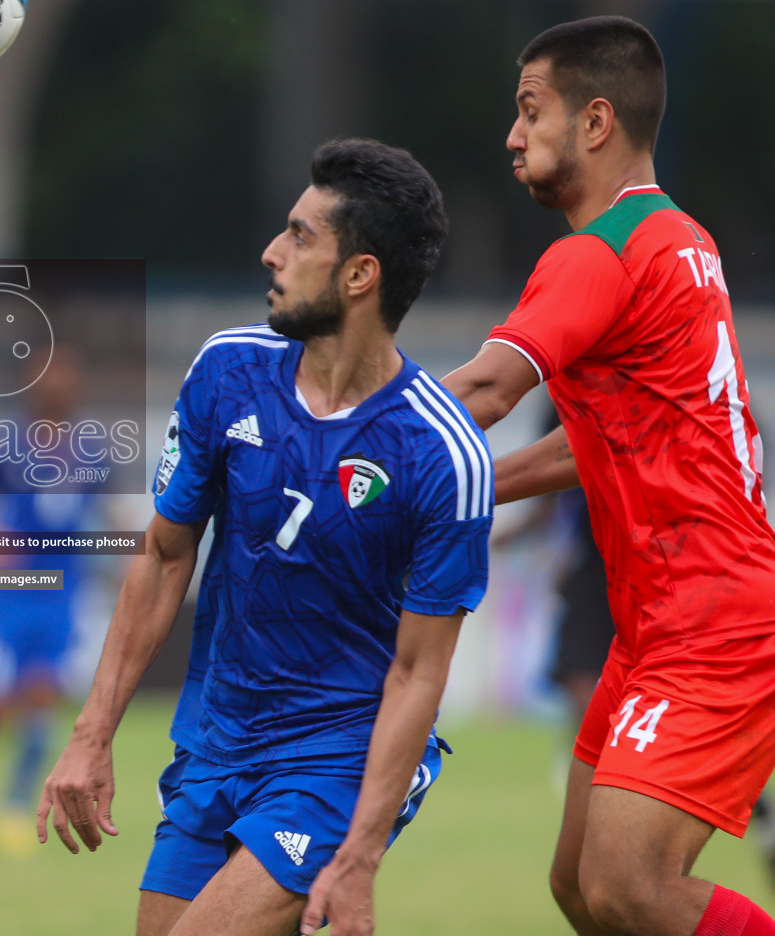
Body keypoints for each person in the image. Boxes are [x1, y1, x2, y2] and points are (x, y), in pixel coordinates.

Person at [37, 138, 490, 936]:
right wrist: (90, 734)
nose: (271, 252)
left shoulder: (440, 451)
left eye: (300, 235)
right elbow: (164, 554)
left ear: (360, 275)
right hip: (217, 739)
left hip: (335, 755)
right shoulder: (228, 371)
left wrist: (361, 855)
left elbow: (420, 674)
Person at [442, 16, 775, 936]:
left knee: (631, 884)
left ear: (594, 122)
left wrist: (333, 450)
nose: (513, 136)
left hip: (712, 621)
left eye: (530, 111)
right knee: (582, 889)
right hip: (663, 621)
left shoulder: (599, 252)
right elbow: (601, 439)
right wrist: (464, 492)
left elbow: (482, 391)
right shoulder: (679, 239)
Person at [0, 355, 106, 856]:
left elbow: (104, 508)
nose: (57, 385)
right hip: (13, 589)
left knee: (42, 693)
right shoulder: (8, 441)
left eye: (66, 375)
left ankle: (14, 805)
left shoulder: (92, 447)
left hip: (65, 591)